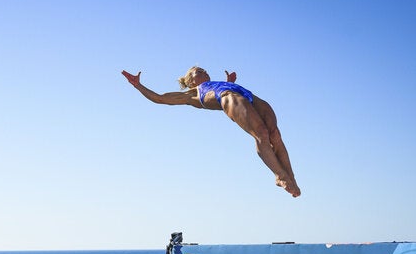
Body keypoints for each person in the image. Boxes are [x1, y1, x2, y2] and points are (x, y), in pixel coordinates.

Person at [122, 67, 300, 197]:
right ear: (191, 80)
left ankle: (291, 177)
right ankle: (279, 175)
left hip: (250, 96)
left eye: (205, 70)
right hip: (229, 98)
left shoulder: (218, 83)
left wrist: (229, 82)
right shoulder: (190, 95)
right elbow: (160, 98)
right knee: (261, 133)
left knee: (274, 135)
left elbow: (224, 87)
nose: (204, 72)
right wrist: (138, 85)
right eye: (198, 72)